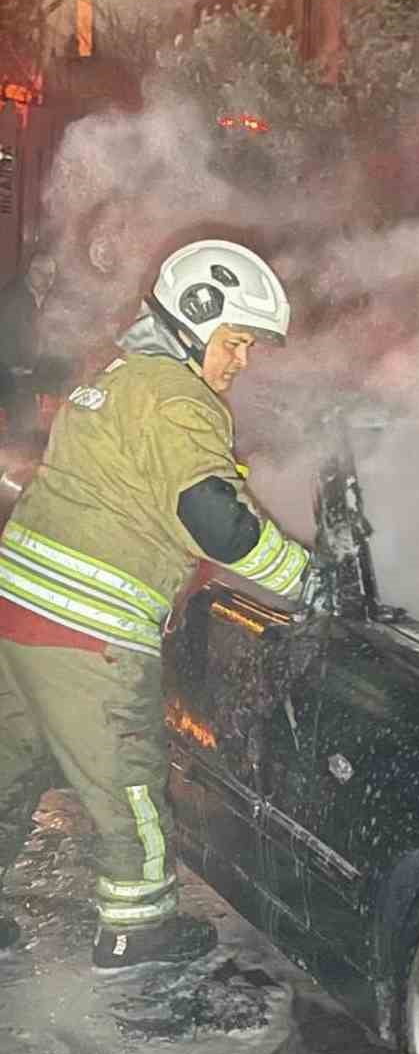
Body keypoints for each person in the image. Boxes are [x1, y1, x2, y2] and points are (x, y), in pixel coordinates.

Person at [0, 239, 311, 971]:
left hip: (16, 610)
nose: (240, 362)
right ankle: (138, 931)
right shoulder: (179, 396)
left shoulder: (114, 377)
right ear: (194, 321)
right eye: (235, 342)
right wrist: (306, 579)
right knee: (129, 783)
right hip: (89, 629)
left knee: (10, 765)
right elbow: (213, 516)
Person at [0, 252, 62, 441]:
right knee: (23, 421)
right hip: (11, 372)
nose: (47, 281)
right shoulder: (11, 298)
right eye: (42, 274)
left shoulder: (48, 299)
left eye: (51, 275)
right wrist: (14, 367)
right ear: (31, 271)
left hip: (31, 371)